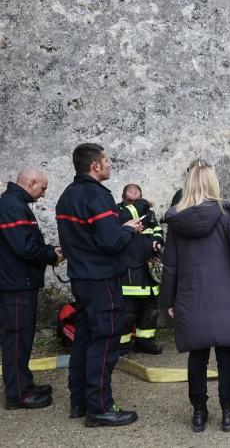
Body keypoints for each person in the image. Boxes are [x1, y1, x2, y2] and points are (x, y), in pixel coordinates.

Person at [160, 159, 230, 433]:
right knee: (226, 355)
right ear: (213, 182)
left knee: (197, 356)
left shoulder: (176, 220)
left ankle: (199, 413)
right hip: (225, 293)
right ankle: (228, 412)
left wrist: (168, 300)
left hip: (191, 296)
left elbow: (170, 265)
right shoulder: (226, 213)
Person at [55, 143, 142, 427]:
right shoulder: (97, 196)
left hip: (81, 278)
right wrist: (128, 230)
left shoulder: (67, 196)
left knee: (84, 338)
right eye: (106, 161)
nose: (109, 165)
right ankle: (101, 407)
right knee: (105, 342)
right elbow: (110, 241)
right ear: (95, 166)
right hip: (102, 279)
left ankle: (79, 401)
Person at [0, 168, 62, 410]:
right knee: (16, 339)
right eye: (42, 188)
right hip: (16, 285)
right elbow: (25, 247)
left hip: (20, 282)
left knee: (22, 338)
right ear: (31, 182)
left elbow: (26, 242)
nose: (43, 194)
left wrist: (49, 251)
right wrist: (51, 256)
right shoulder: (12, 206)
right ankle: (18, 395)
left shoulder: (15, 204)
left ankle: (24, 384)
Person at [117, 184, 164, 355]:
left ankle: (145, 342)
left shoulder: (149, 214)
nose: (136, 201)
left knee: (149, 310)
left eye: (139, 197)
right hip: (130, 272)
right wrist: (143, 202)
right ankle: (122, 345)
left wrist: (158, 240)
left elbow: (157, 229)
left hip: (148, 270)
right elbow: (128, 215)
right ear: (123, 198)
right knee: (127, 312)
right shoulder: (118, 212)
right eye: (131, 197)